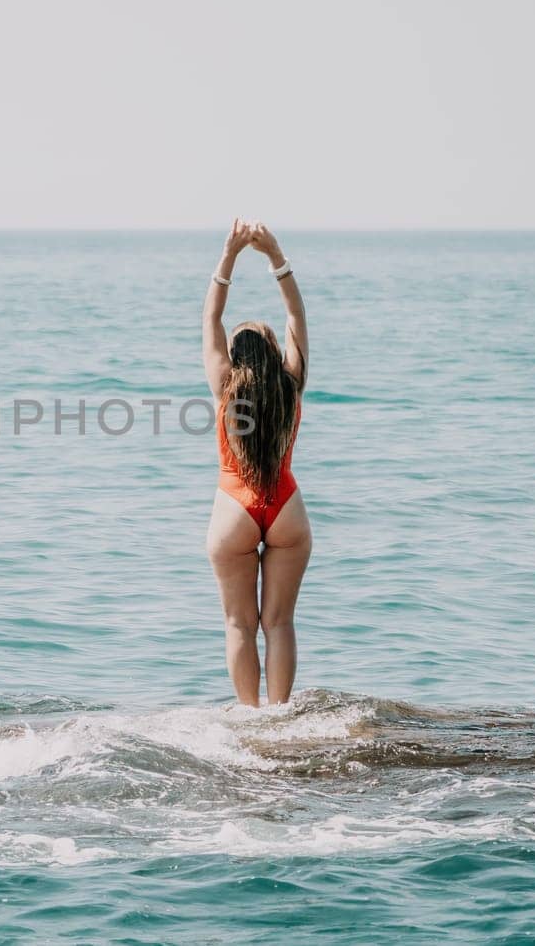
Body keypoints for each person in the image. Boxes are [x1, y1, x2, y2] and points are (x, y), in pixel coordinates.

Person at [202, 220, 312, 707]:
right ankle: (280, 716)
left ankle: (249, 718)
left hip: (234, 508)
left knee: (238, 624)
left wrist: (228, 256)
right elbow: (295, 314)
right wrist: (275, 257)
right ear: (273, 352)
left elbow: (211, 321)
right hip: (284, 503)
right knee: (279, 622)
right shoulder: (292, 383)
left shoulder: (225, 384)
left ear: (237, 354)